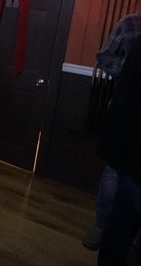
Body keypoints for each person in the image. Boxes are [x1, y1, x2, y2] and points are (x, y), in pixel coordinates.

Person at [83, 13, 141, 250]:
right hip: (124, 111)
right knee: (112, 174)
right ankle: (101, 224)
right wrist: (130, 68)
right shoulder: (130, 23)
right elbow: (104, 57)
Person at [97, 33, 141, 265]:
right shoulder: (131, 26)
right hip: (130, 149)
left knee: (120, 223)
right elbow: (103, 57)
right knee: (121, 223)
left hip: (127, 148)